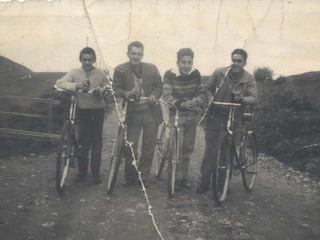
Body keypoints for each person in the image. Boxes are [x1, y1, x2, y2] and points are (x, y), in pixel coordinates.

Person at [196, 48, 258, 193]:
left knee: (227, 152)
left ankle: (222, 184)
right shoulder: (220, 72)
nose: (235, 63)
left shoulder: (248, 78)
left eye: (239, 61)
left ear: (244, 63)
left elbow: (254, 98)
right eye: (233, 60)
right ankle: (204, 182)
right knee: (211, 150)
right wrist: (210, 97)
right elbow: (208, 88)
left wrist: (243, 99)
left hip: (235, 118)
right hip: (215, 116)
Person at [55, 47, 110, 184]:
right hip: (83, 109)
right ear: (80, 60)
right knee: (83, 141)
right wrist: (76, 86)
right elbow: (59, 83)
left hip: (98, 109)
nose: (87, 62)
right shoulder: (74, 72)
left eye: (90, 60)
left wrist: (101, 90)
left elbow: (108, 88)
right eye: (84, 59)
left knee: (97, 141)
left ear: (94, 60)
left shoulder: (101, 74)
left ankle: (95, 174)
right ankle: (82, 172)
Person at [113, 41, 163, 187]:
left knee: (149, 146)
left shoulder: (152, 68)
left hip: (150, 113)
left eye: (139, 54)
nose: (136, 56)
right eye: (133, 53)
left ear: (142, 54)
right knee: (131, 145)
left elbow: (159, 86)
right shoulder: (120, 69)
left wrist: (154, 96)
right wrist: (127, 94)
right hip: (133, 113)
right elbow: (116, 88)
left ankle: (143, 177)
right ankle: (130, 176)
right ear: (128, 53)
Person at [163, 48, 206, 191]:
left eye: (189, 62)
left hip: (191, 115)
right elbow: (167, 96)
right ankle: (174, 177)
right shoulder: (170, 74)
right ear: (178, 62)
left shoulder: (196, 74)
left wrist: (198, 100)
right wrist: (181, 104)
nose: (186, 65)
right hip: (176, 115)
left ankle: (184, 177)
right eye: (183, 62)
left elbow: (201, 92)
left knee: (187, 148)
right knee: (176, 147)